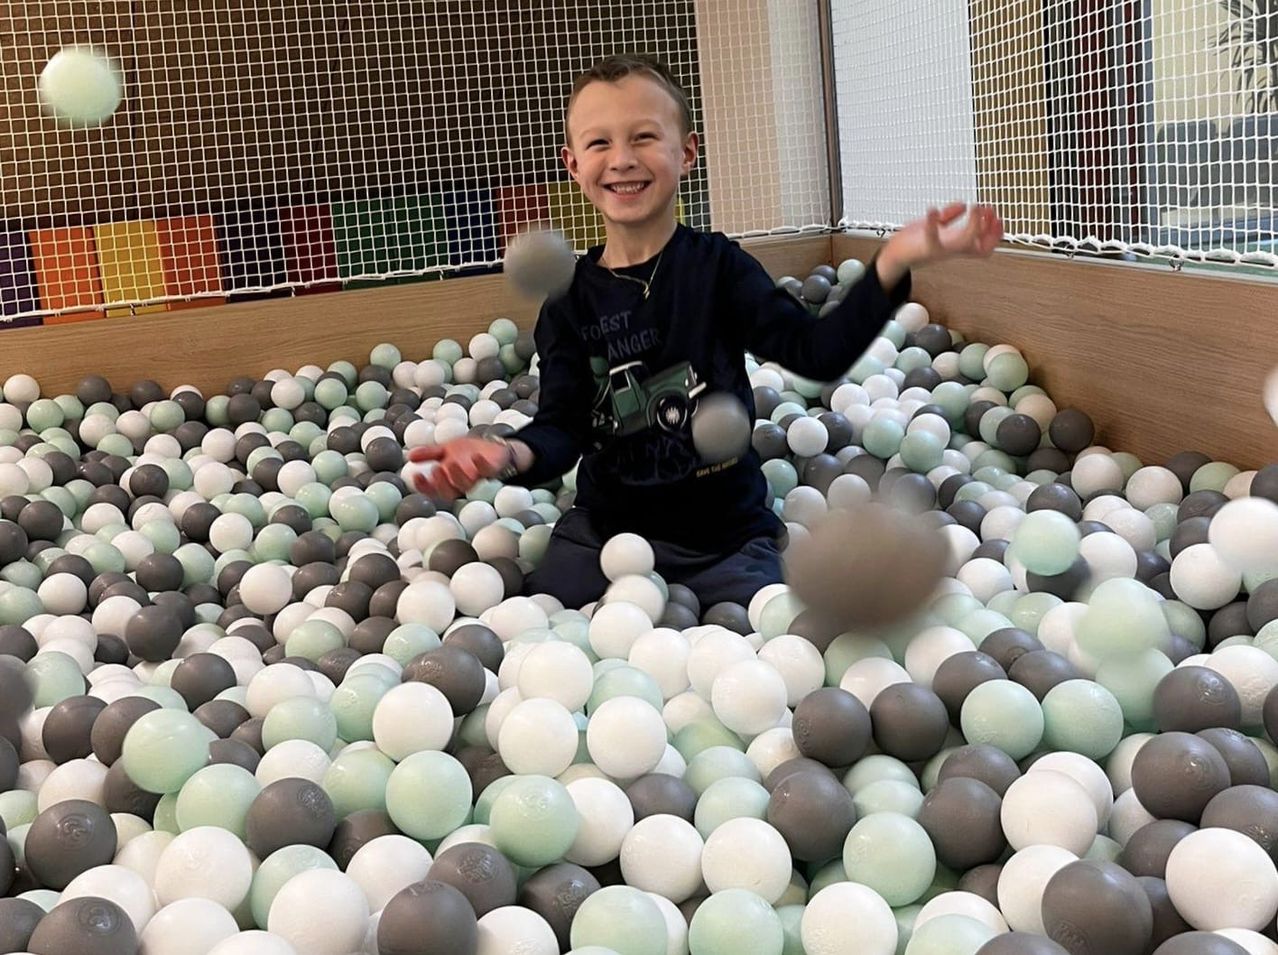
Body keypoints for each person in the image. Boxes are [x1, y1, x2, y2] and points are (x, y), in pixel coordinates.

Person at [408, 53, 1002, 610]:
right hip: (604, 533)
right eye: (599, 143)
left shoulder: (717, 268)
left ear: (686, 152)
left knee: (763, 634)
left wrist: (893, 261)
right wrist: (504, 451)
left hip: (724, 535)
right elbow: (564, 426)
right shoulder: (569, 297)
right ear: (574, 164)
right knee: (543, 617)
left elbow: (815, 352)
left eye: (643, 136)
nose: (621, 158)